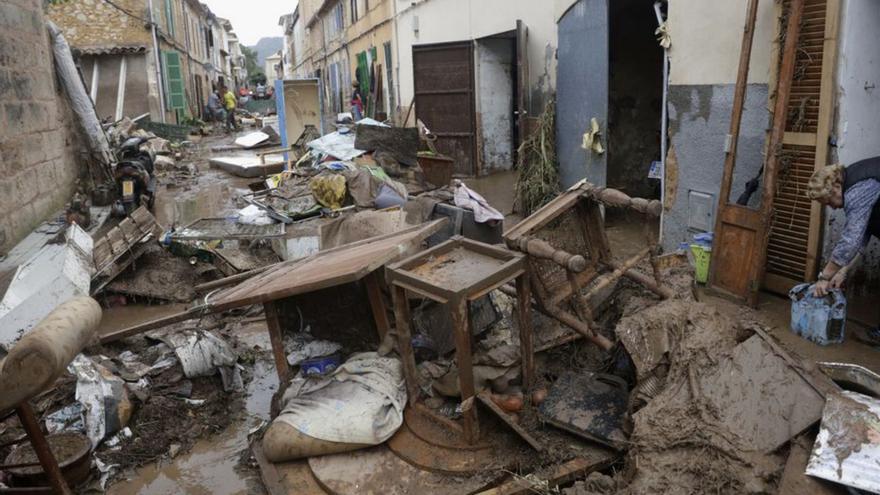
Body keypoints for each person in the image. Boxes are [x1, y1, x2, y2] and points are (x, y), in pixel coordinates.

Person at [807, 159, 880, 341]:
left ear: (835, 188)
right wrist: (842, 271)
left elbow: (850, 241)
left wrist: (824, 277)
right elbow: (862, 235)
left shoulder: (857, 190)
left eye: (828, 201)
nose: (831, 207)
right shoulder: (853, 181)